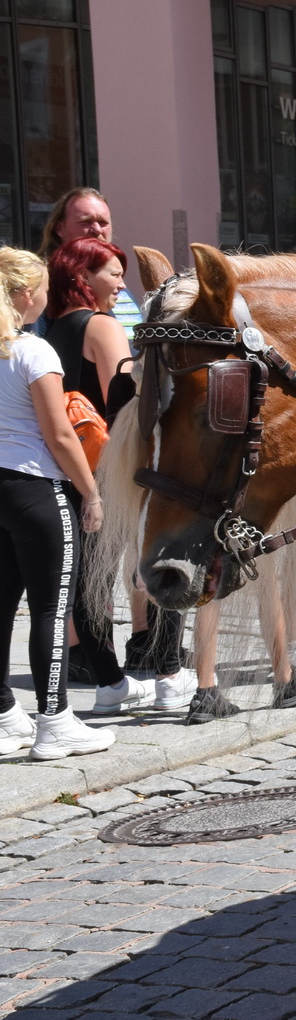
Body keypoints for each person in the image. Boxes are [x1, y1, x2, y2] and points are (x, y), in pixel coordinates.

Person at [43, 239, 198, 713]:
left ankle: (109, 683)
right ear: (82, 277)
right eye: (112, 273)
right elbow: (126, 398)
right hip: (115, 463)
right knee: (158, 560)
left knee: (91, 578)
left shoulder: (51, 329)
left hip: (72, 465)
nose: (120, 285)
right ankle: (169, 674)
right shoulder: (102, 325)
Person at [0, 247, 115, 760]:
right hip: (36, 488)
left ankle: (5, 715)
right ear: (27, 294)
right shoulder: (33, 351)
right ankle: (55, 720)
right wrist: (91, 492)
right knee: (51, 607)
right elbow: (61, 434)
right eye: (44, 289)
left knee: (3, 604)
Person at [35, 188, 142, 336]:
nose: (97, 230)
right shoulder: (43, 284)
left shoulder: (116, 284)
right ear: (60, 228)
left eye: (103, 223)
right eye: (86, 222)